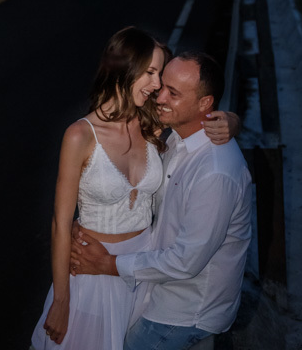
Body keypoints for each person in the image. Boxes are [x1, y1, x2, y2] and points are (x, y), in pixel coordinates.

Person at [30, 30, 239, 350]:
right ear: (123, 68)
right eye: (151, 73)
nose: (157, 86)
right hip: (92, 273)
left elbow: (195, 116)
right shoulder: (79, 136)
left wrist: (232, 120)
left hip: (143, 274)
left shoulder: (152, 122)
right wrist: (61, 300)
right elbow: (61, 224)